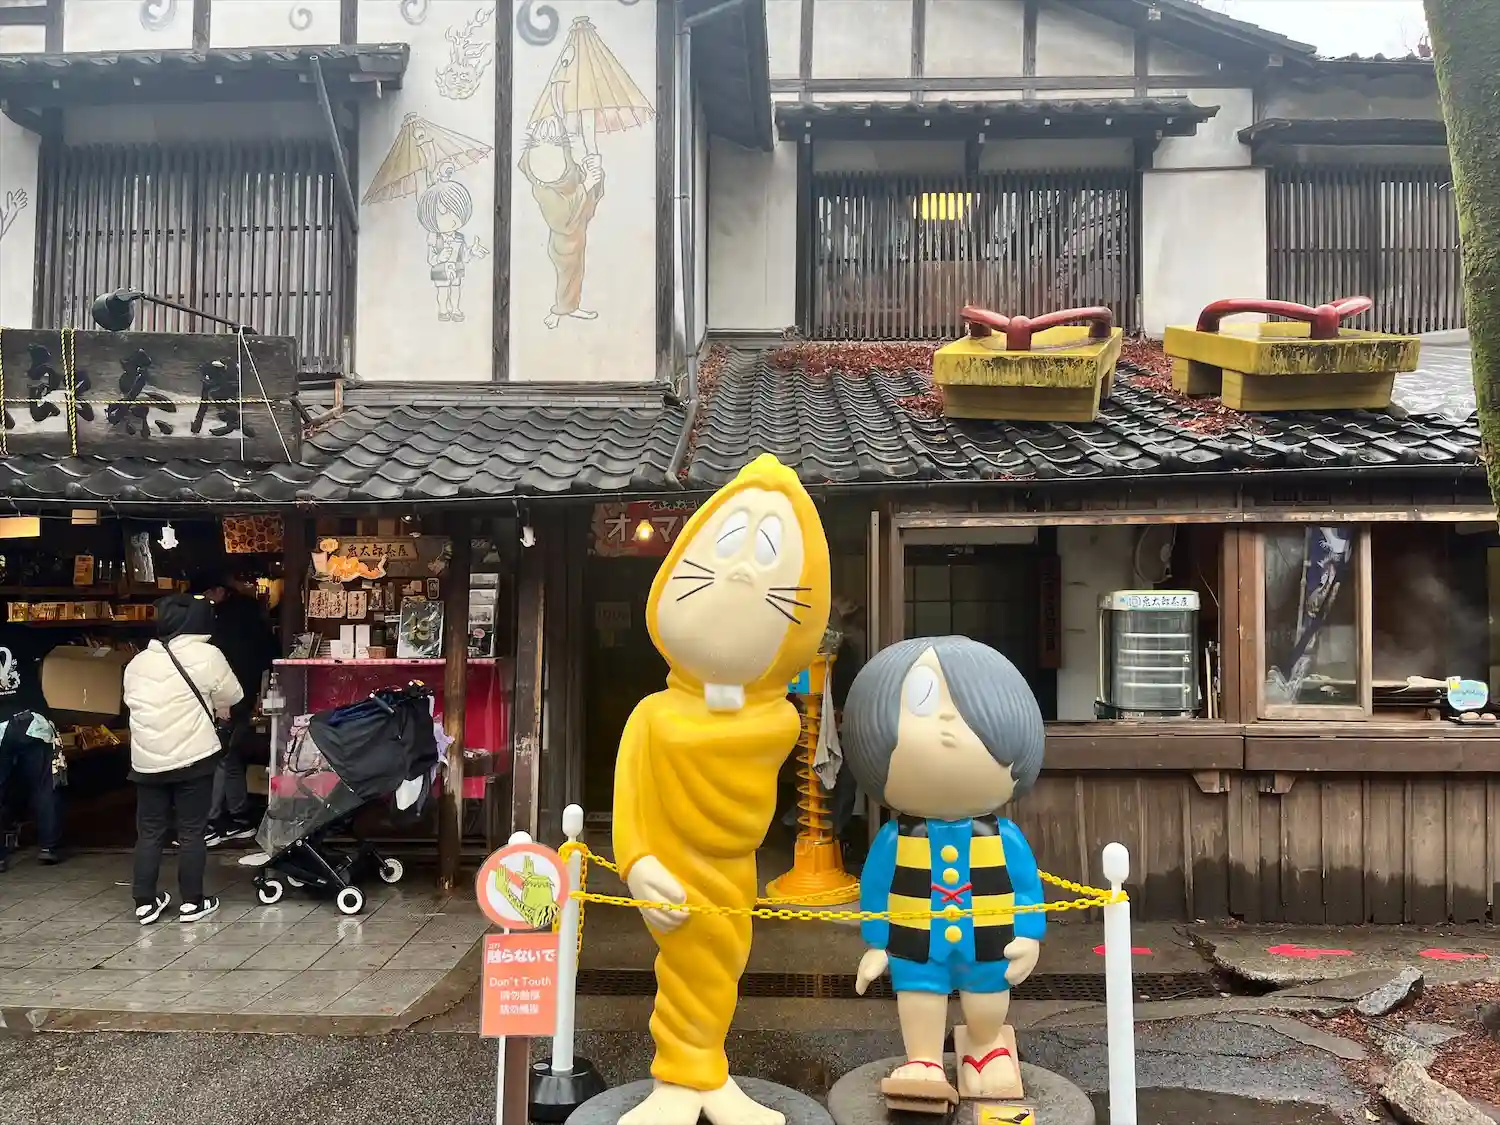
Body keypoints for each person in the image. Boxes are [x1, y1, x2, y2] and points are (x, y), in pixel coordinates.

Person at [123, 594, 243, 924]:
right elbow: (233, 695)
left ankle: (144, 902)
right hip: (193, 757)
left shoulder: (137, 663)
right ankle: (192, 902)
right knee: (192, 831)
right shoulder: (208, 655)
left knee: (149, 832)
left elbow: (131, 703)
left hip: (147, 762)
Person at [193, 570, 278, 847]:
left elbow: (225, 663)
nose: (206, 600)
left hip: (227, 697)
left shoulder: (223, 622)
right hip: (245, 694)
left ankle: (211, 823)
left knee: (219, 758)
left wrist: (222, 701)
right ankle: (240, 819)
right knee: (230, 759)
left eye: (207, 594)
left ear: (219, 590)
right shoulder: (252, 617)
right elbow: (268, 655)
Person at [0, 622, 63, 872]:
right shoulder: (21, 633)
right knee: (44, 785)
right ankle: (48, 846)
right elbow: (56, 644)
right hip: (31, 719)